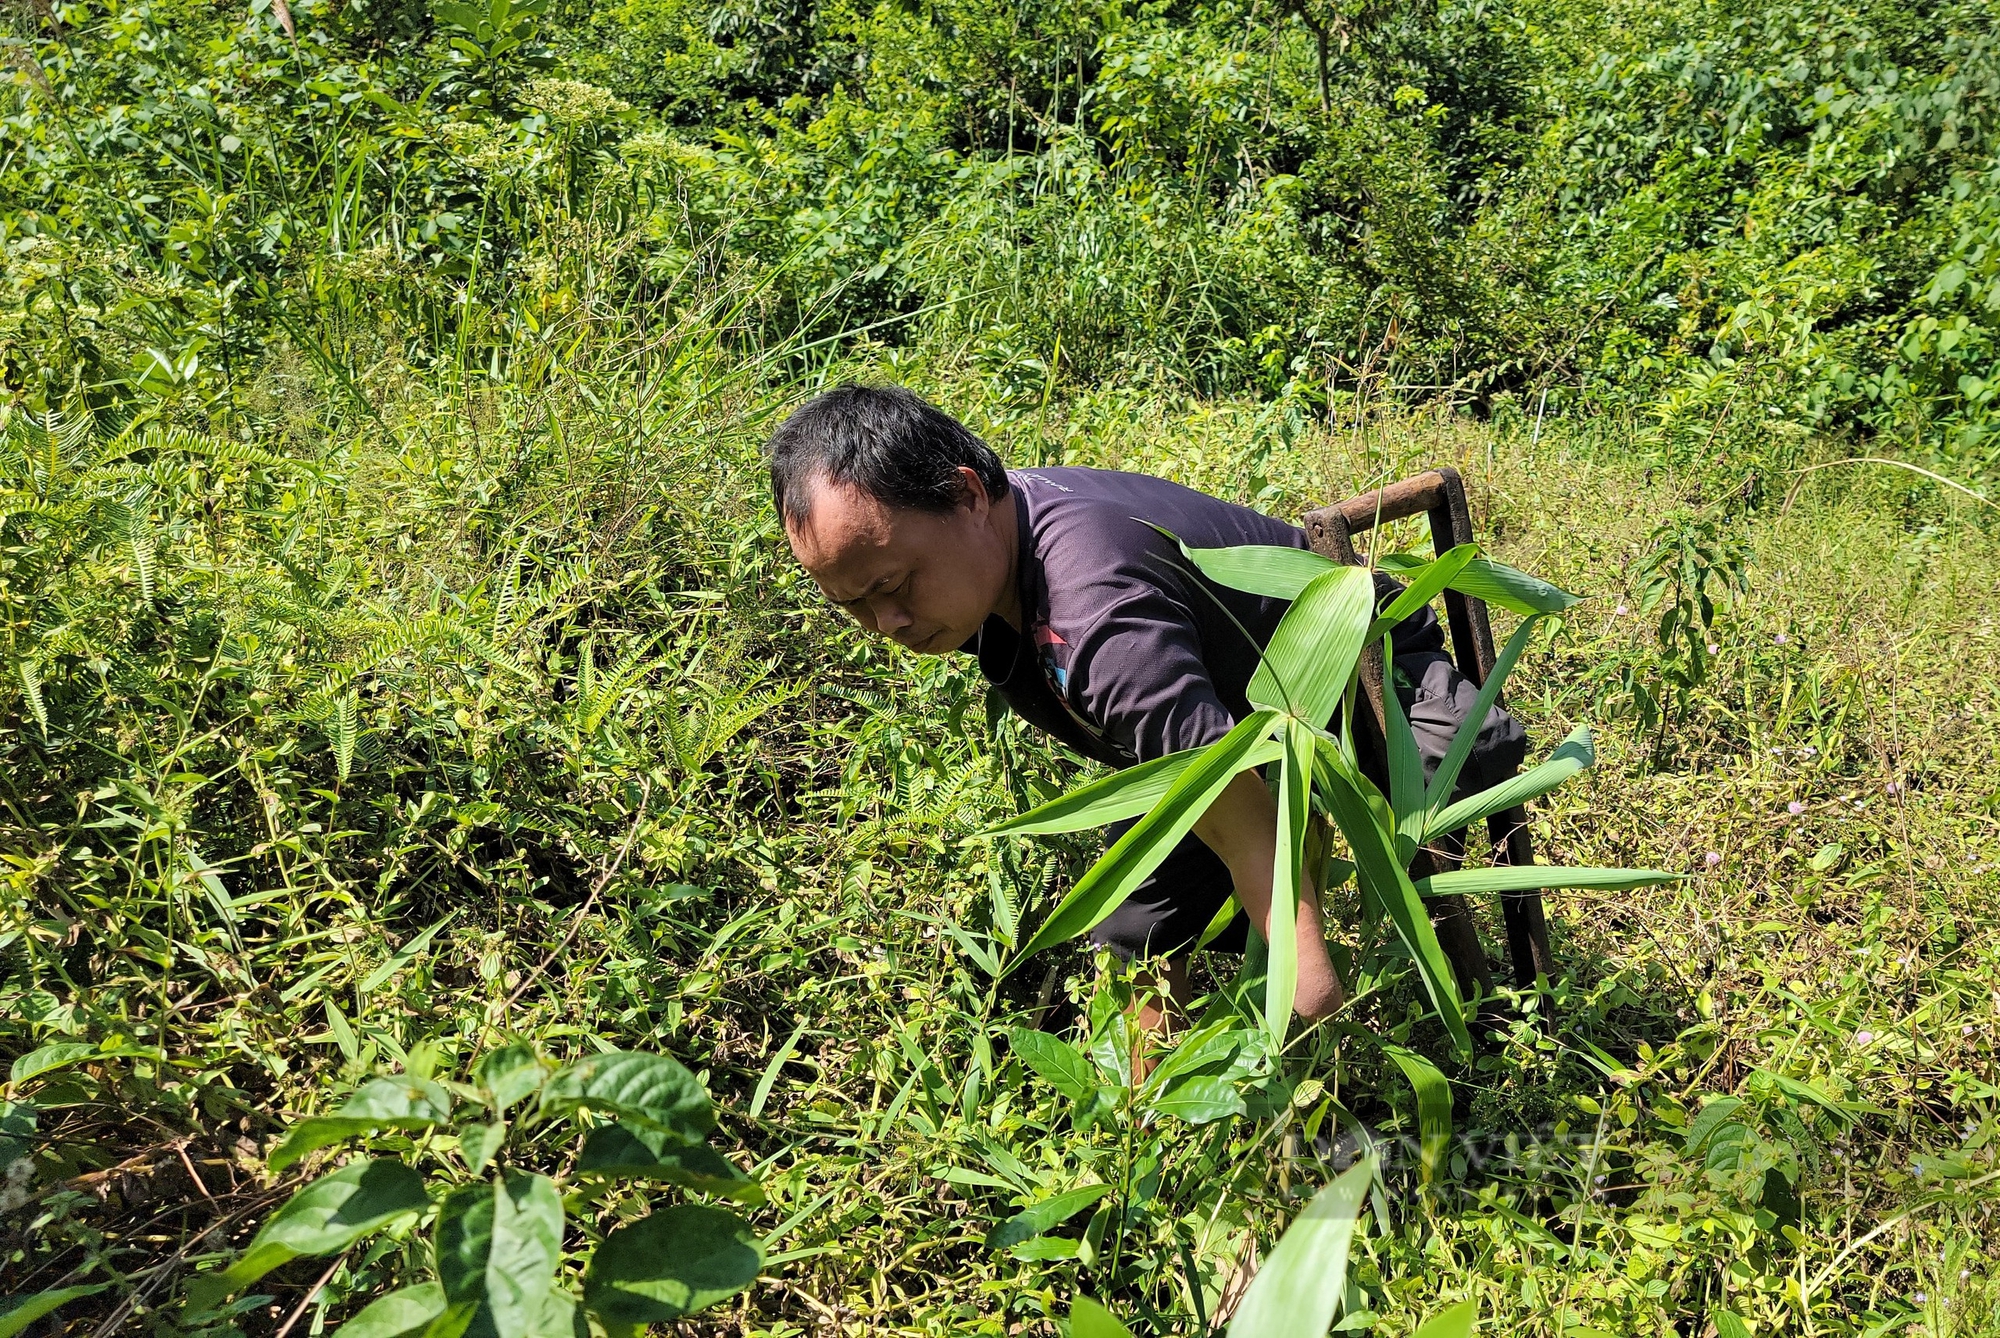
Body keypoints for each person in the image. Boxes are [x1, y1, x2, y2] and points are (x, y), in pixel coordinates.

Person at [769, 383, 1524, 1037]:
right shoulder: (993, 535)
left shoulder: (1092, 609)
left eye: (897, 583)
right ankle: (1155, 1133)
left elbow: (1243, 821)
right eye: (854, 604)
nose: (890, 622)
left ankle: (1480, 1022)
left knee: (1432, 779)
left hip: (1363, 683)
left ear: (966, 493)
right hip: (1226, 715)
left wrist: (1312, 1012)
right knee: (1133, 933)